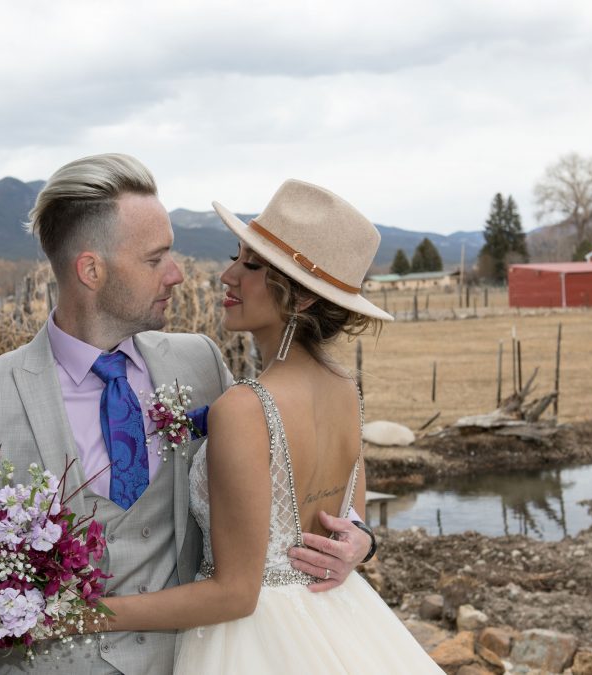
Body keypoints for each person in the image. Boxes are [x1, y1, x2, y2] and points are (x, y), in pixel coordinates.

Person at [0, 155, 372, 675]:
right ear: (91, 269)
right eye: (156, 259)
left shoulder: (201, 364)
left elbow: (291, 472)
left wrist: (360, 540)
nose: (179, 275)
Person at [83, 179, 445, 673]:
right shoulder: (346, 388)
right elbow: (349, 524)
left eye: (251, 266)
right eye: (237, 256)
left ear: (300, 300)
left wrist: (86, 615)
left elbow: (234, 595)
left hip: (255, 646)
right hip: (339, 621)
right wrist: (362, 543)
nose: (227, 276)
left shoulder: (244, 409)